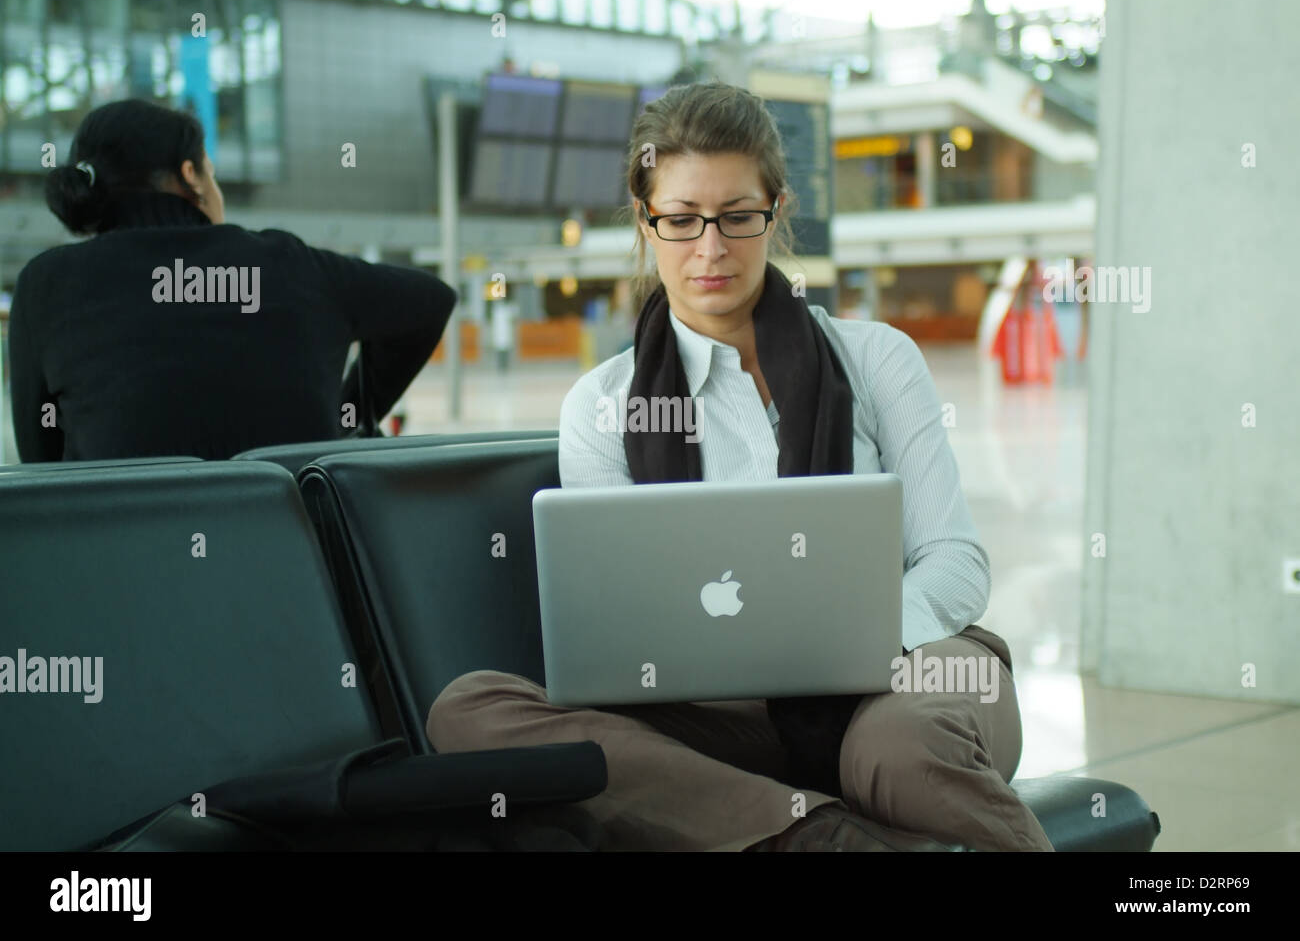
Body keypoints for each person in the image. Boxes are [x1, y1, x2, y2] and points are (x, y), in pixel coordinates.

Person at [426, 81, 1054, 851]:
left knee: (897, 751)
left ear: (776, 212)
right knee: (470, 709)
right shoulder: (601, 404)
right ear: (645, 221)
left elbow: (954, 562)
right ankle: (821, 837)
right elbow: (622, 623)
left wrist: (853, 642)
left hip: (908, 676)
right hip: (722, 716)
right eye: (682, 220)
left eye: (737, 217)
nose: (711, 248)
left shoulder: (877, 358)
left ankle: (756, 822)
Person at [8, 99, 454, 462]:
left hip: (119, 563)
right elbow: (431, 300)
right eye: (212, 173)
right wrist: (348, 412)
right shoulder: (290, 266)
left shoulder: (46, 286)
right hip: (296, 564)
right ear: (189, 176)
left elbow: (43, 470)